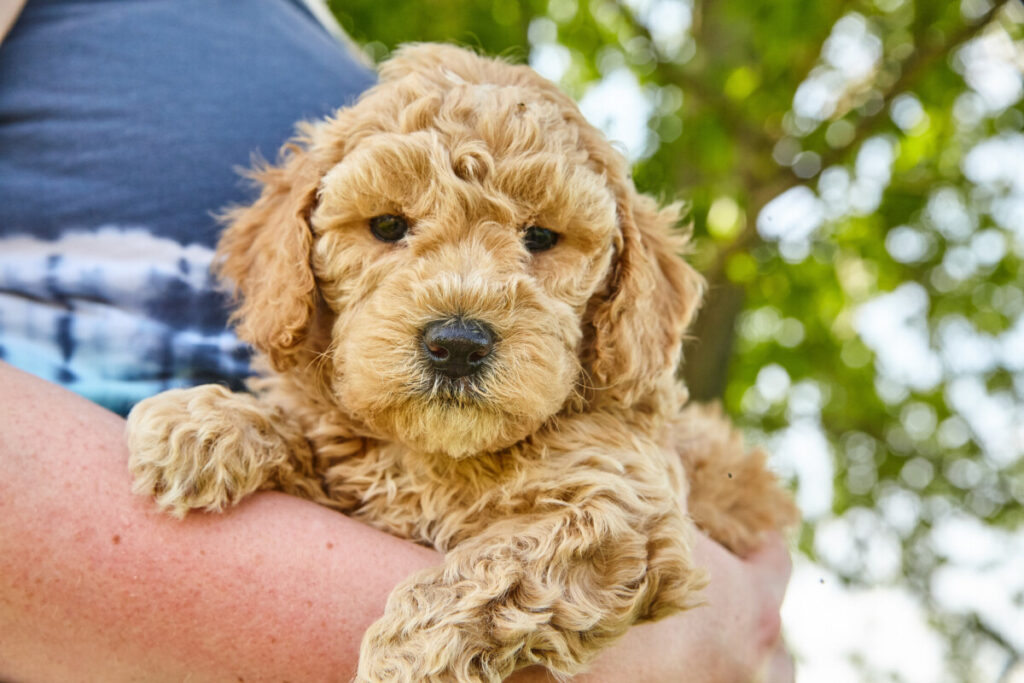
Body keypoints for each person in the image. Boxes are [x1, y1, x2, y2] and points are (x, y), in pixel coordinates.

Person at [0, 1, 794, 680]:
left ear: (624, 290)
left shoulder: (592, 458)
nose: (459, 319)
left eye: (542, 238)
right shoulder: (321, 405)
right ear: (295, 257)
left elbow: (621, 533)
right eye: (388, 227)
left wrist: (441, 637)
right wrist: (266, 433)